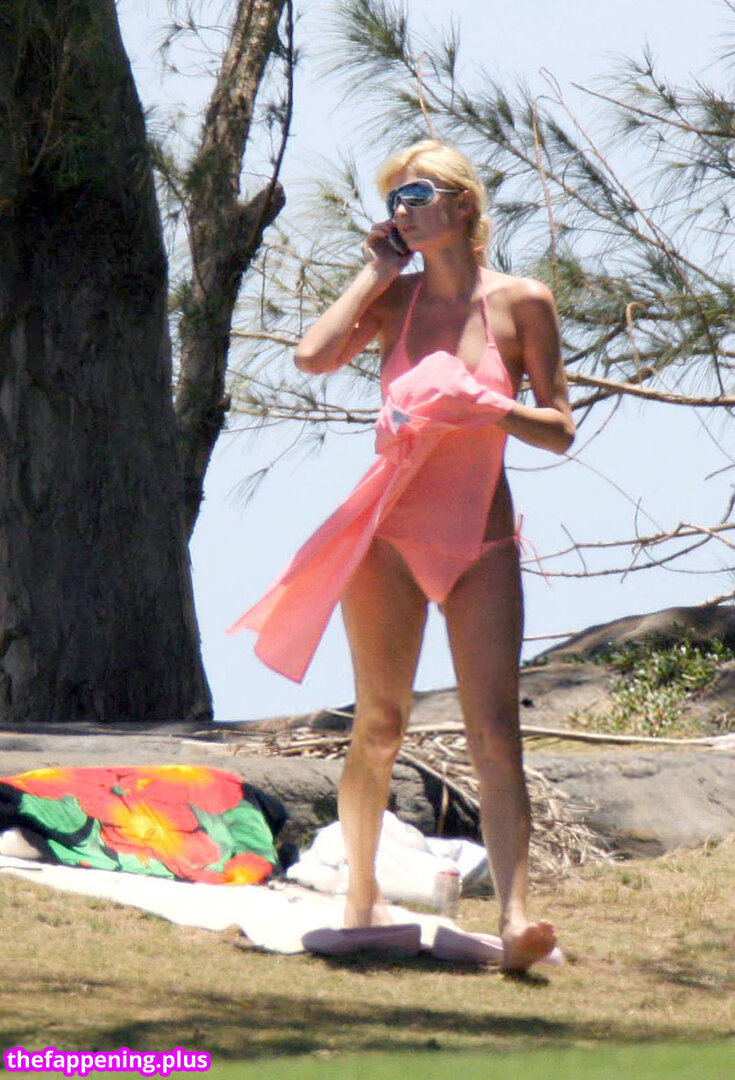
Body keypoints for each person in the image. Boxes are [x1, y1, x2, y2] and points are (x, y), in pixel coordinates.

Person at [233, 139, 575, 972]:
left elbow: (559, 429)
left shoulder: (522, 302)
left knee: (494, 731)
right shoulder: (393, 299)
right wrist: (375, 272)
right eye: (392, 199)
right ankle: (360, 895)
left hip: (479, 539)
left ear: (462, 204)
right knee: (379, 723)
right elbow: (312, 357)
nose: (400, 210)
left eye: (415, 194)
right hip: (387, 536)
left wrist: (484, 406)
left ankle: (515, 917)